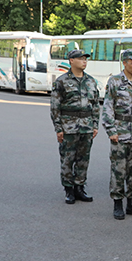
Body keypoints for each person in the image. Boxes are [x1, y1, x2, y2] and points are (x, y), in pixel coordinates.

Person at [101, 50, 132, 220]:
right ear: (125, 62)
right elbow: (108, 107)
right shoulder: (115, 81)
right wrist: (111, 130)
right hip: (120, 132)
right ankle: (117, 203)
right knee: (119, 170)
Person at [50, 50, 100, 204]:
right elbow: (55, 107)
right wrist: (58, 128)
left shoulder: (91, 81)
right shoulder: (61, 81)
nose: (84, 61)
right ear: (71, 60)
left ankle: (80, 187)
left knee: (83, 159)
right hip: (68, 126)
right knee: (67, 158)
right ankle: (69, 189)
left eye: (85, 59)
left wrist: (95, 125)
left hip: (86, 127)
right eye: (80, 59)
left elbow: (96, 105)